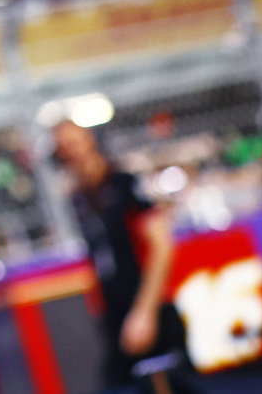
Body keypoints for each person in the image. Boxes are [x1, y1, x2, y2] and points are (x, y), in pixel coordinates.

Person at [52, 121, 201, 394]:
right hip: (117, 317)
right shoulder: (79, 198)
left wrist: (145, 312)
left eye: (75, 143)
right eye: (64, 147)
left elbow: (162, 247)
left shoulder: (124, 184)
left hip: (150, 311)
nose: (71, 152)